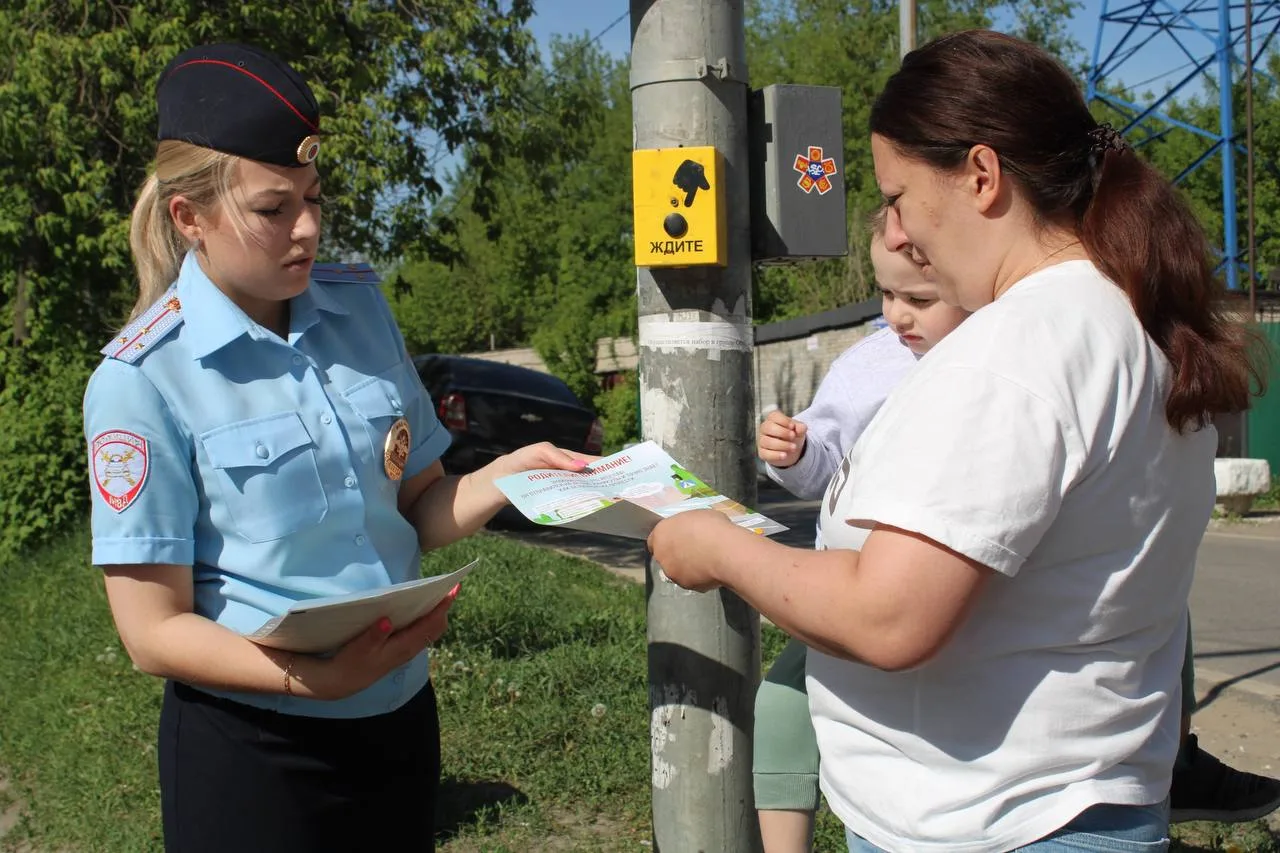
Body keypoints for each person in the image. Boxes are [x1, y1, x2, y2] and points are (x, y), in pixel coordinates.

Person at [650, 29, 1267, 852]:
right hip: (1070, 805)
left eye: (898, 194)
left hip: (997, 822)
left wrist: (718, 548)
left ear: (981, 176)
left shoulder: (1019, 349)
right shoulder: (1123, 315)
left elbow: (891, 615)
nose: (899, 230)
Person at [83, 43, 586, 853]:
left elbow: (418, 509)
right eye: (273, 208)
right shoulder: (142, 378)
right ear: (189, 217)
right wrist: (305, 678)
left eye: (314, 198)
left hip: (396, 721)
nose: (308, 229)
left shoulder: (359, 312)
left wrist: (504, 474)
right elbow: (152, 631)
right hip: (254, 749)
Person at [753, 215, 968, 853]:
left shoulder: (989, 358)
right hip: (846, 595)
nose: (899, 317)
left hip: (925, 592)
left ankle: (1177, 762)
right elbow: (823, 454)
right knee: (781, 706)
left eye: (921, 299)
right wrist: (792, 453)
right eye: (887, 295)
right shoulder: (872, 359)